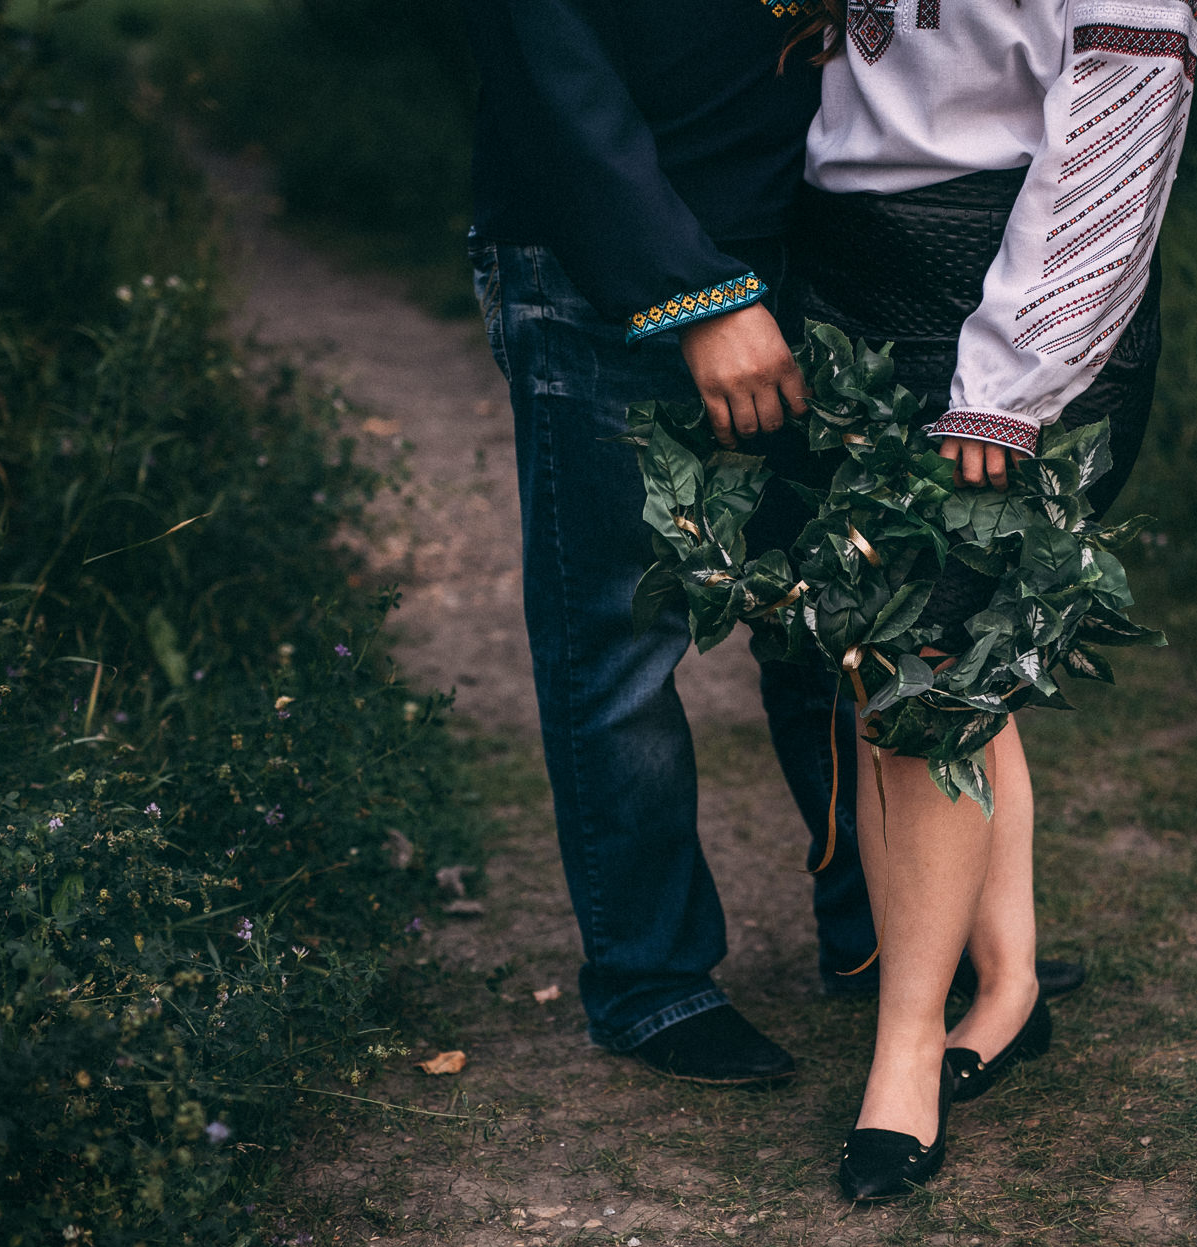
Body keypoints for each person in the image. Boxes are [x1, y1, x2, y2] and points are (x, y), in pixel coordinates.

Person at [457, 0, 1088, 1089]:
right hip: (607, 269)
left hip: (805, 250)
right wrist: (687, 294)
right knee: (620, 644)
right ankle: (652, 982)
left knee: (833, 618)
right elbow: (544, 68)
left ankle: (878, 930)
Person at [786, 0, 1197, 1199]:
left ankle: (905, 1057)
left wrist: (1007, 380)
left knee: (918, 677)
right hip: (847, 276)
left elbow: (1120, 125)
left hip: (994, 295)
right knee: (929, 656)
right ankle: (1008, 989)